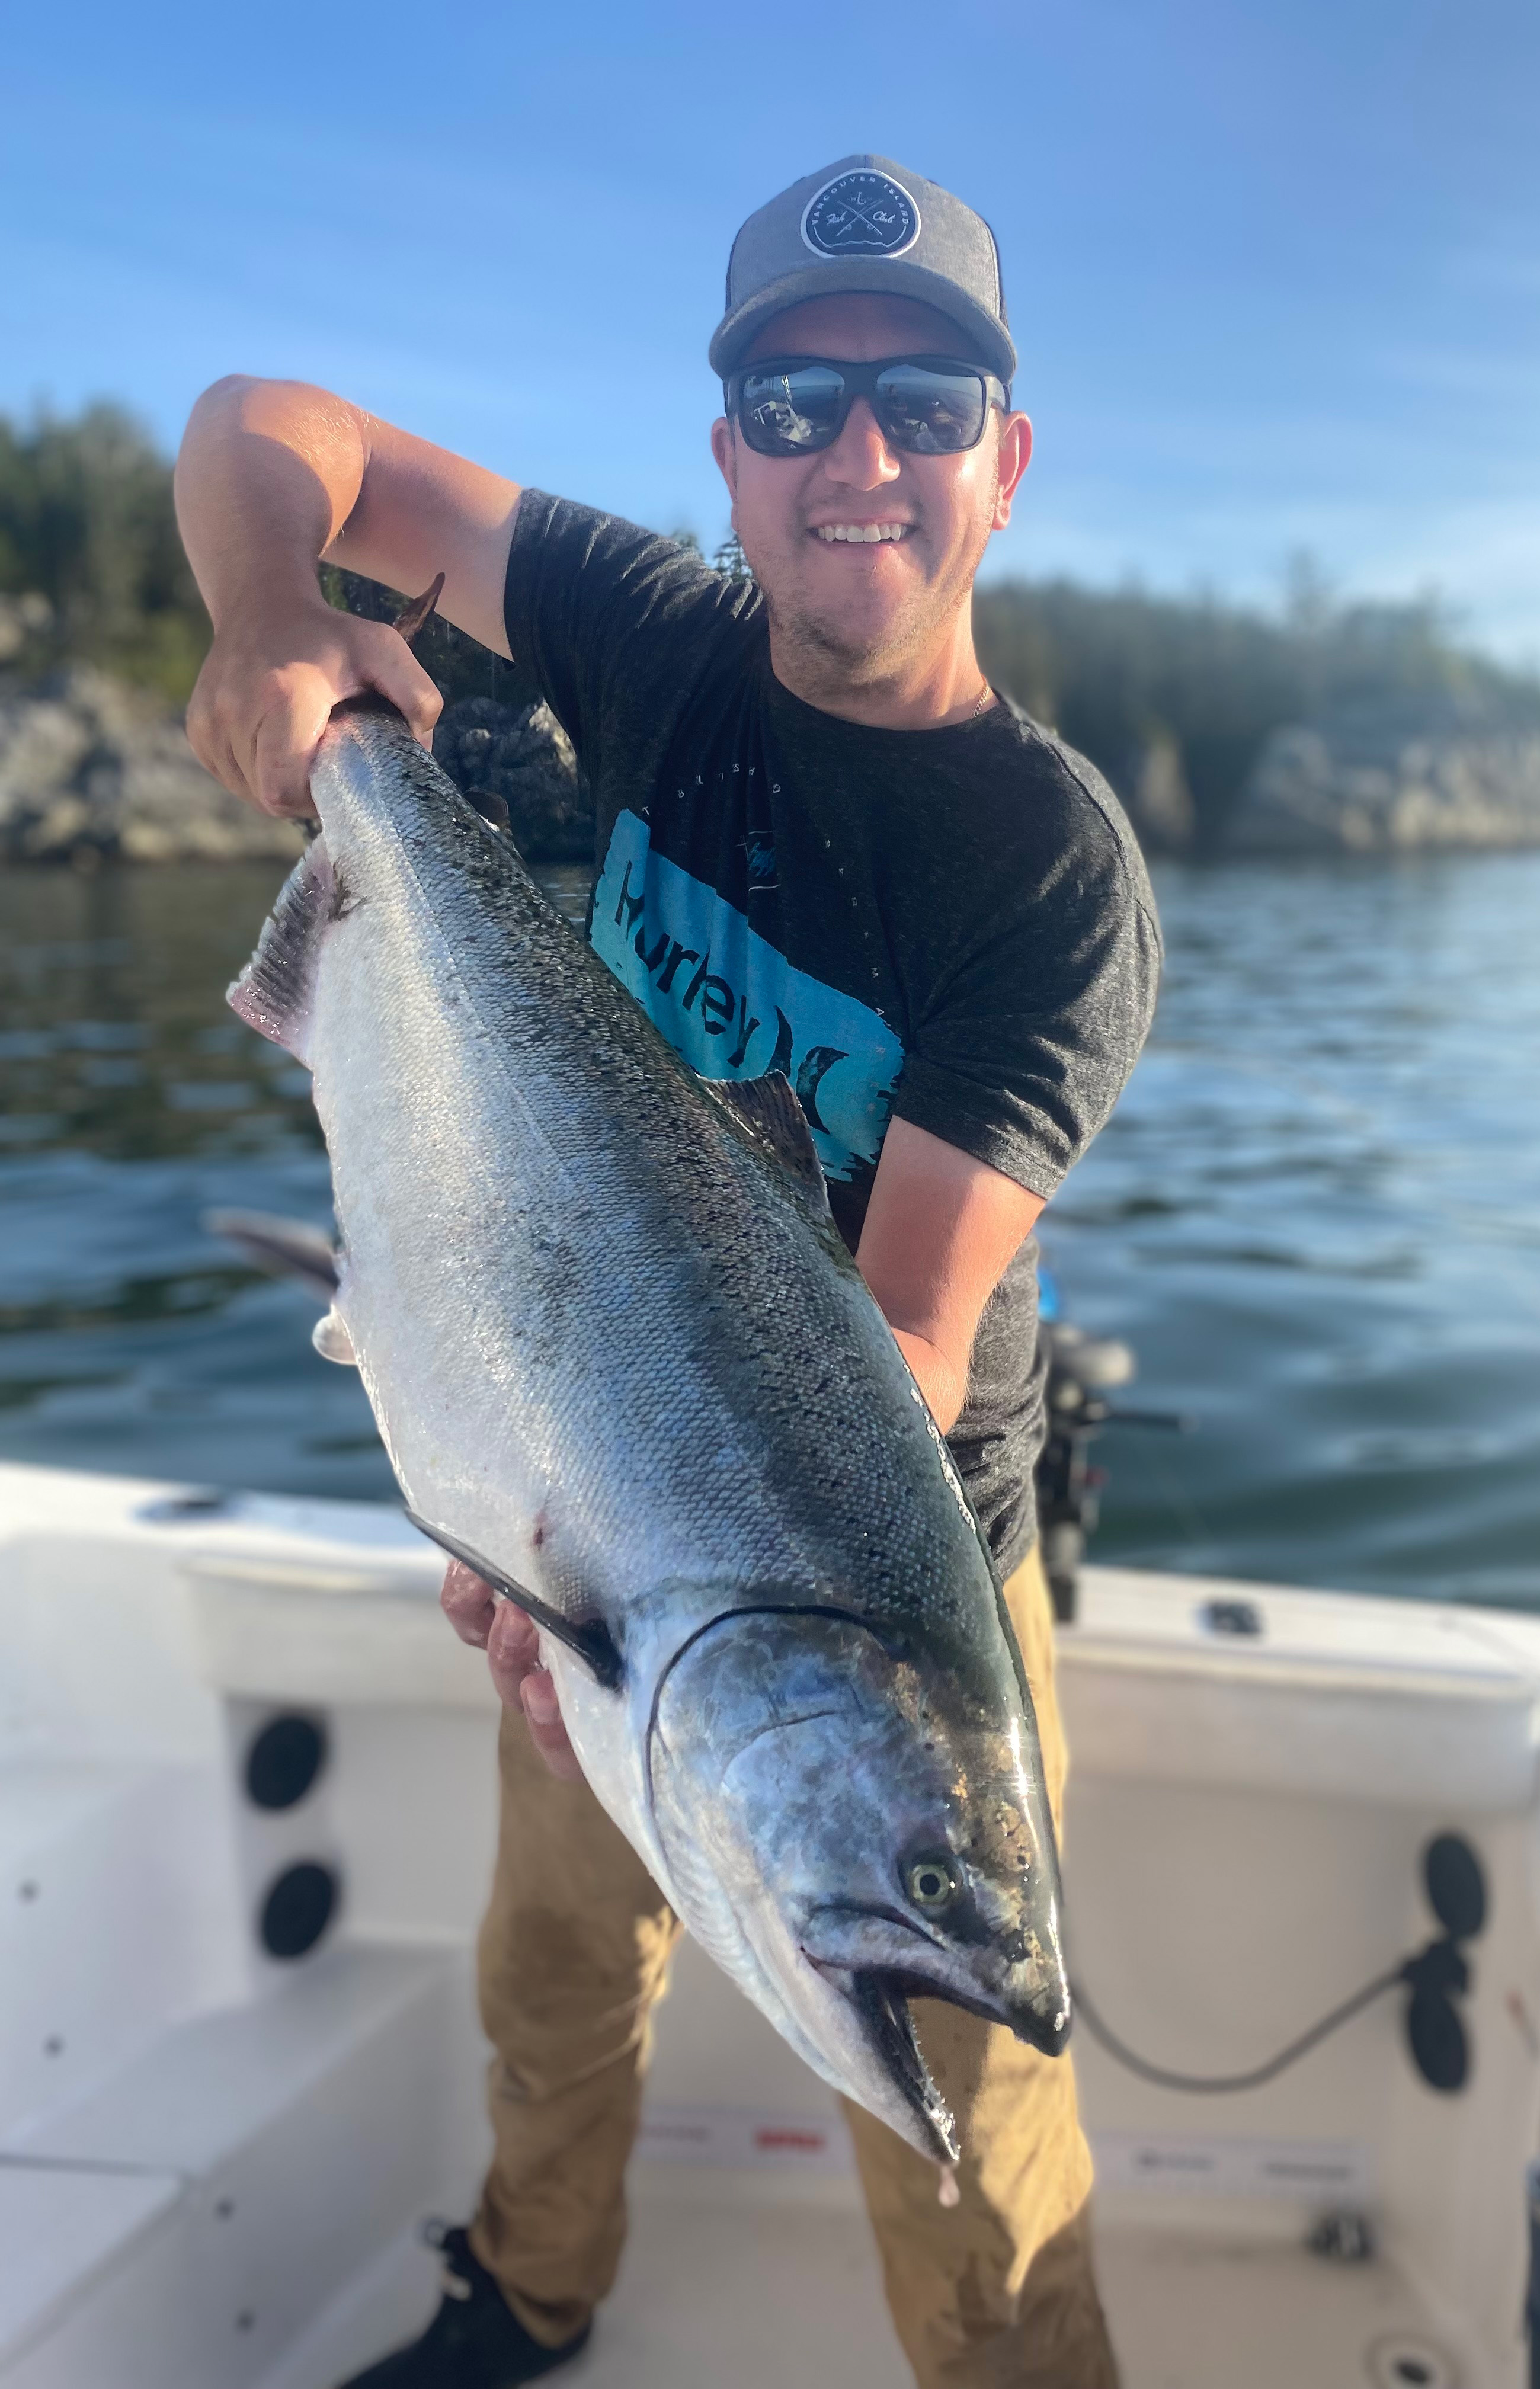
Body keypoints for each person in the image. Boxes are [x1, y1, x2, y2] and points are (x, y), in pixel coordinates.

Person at [176, 153, 1160, 2389]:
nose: (859, 457)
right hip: (597, 1536)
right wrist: (271, 625)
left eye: (923, 398)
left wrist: (584, 1523)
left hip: (857, 1566)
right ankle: (530, 2300)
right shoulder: (644, 630)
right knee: (553, 1973)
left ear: (1003, 462)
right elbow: (271, 422)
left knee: (976, 2126)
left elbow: (890, 1350)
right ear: (726, 456)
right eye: (792, 404)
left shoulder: (1052, 878)